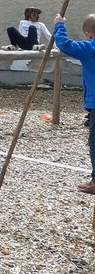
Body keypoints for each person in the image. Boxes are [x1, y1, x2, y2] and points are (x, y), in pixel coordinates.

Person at [53, 13, 95, 194]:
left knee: (94, 143)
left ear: (88, 33)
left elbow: (65, 45)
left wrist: (59, 25)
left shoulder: (90, 47)